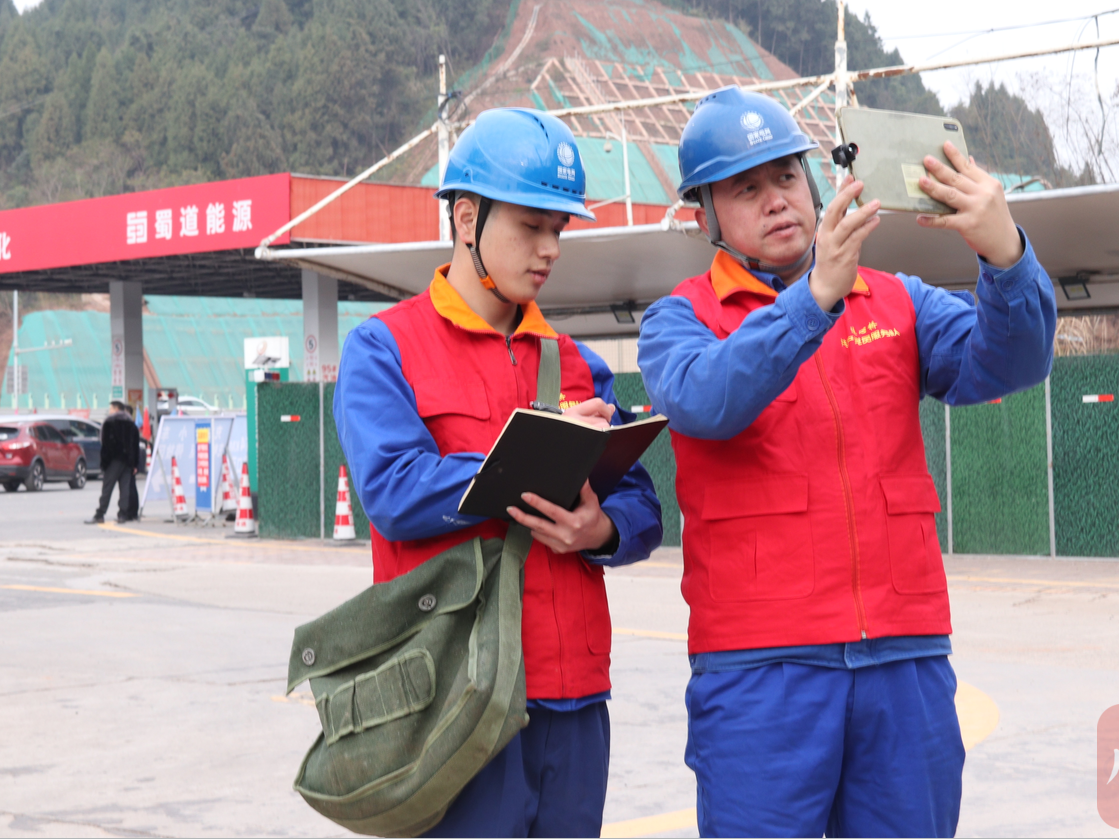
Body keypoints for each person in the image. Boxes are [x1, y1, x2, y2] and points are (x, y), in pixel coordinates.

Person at [637, 87, 1056, 838]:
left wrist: (1006, 256)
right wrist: (813, 300)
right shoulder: (680, 319)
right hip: (759, 670)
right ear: (704, 218)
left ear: (813, 180)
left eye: (785, 176)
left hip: (904, 658)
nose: (776, 200)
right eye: (745, 189)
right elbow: (704, 400)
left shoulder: (899, 302)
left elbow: (1010, 363)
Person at [335, 108, 663, 838]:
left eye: (559, 229)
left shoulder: (577, 364)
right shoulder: (384, 349)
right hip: (456, 694)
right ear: (466, 217)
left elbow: (643, 506)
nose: (550, 249)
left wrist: (601, 529)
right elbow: (393, 490)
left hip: (574, 697)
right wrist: (538, 455)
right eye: (530, 226)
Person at [85, 400, 141, 525]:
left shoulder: (109, 423)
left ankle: (100, 514)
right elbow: (135, 445)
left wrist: (104, 462)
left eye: (110, 408)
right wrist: (135, 464)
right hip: (128, 462)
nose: (109, 411)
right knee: (125, 489)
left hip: (113, 461)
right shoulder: (131, 425)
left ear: (116, 409)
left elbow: (106, 444)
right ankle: (122, 514)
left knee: (107, 488)